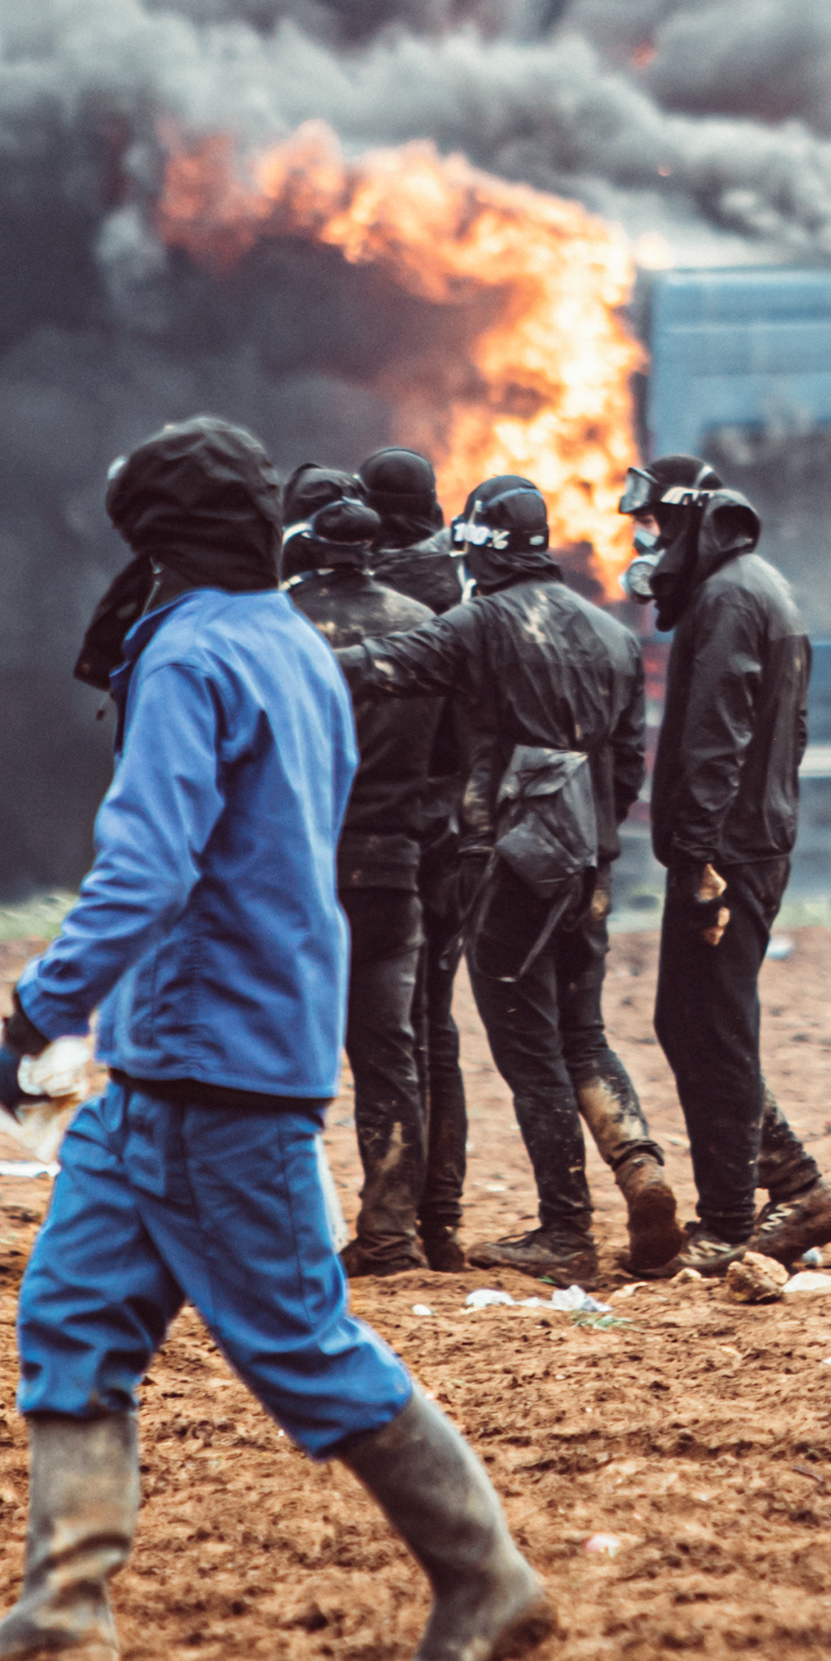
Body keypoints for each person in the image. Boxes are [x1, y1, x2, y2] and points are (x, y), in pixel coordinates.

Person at [0, 417, 549, 1661]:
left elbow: (147, 868)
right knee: (71, 1312)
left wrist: (33, 1015)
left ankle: (487, 1575)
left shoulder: (186, 656)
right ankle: (65, 1604)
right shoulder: (286, 642)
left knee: (304, 1345)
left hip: (210, 1062)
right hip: (181, 1062)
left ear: (158, 542)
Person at [336, 476, 684, 1282]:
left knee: (524, 1036)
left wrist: (277, 651)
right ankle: (641, 1169)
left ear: (483, 550)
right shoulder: (611, 635)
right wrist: (592, 844)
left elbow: (386, 665)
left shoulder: (483, 621)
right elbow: (630, 764)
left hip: (518, 859)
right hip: (593, 858)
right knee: (582, 1029)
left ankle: (565, 1229)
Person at [633, 455, 831, 1272]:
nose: (648, 546)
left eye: (653, 526)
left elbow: (714, 741)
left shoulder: (728, 599)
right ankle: (795, 1184)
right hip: (748, 840)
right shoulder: (755, 587)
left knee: (710, 1028)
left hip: (728, 851)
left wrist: (697, 858)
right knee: (691, 1023)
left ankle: (730, 1222)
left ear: (688, 520)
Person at [281, 495, 453, 1275]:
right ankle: (391, 1236)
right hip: (393, 866)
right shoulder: (424, 622)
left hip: (298, 874)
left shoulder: (278, 626)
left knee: (282, 1056)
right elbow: (454, 754)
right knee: (392, 1056)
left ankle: (287, 1231)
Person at [358, 445, 477, 1268]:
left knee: (388, 1034)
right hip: (461, 832)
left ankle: (395, 1223)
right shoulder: (463, 590)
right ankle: (441, 1222)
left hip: (391, 837)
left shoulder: (370, 598)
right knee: (437, 1027)